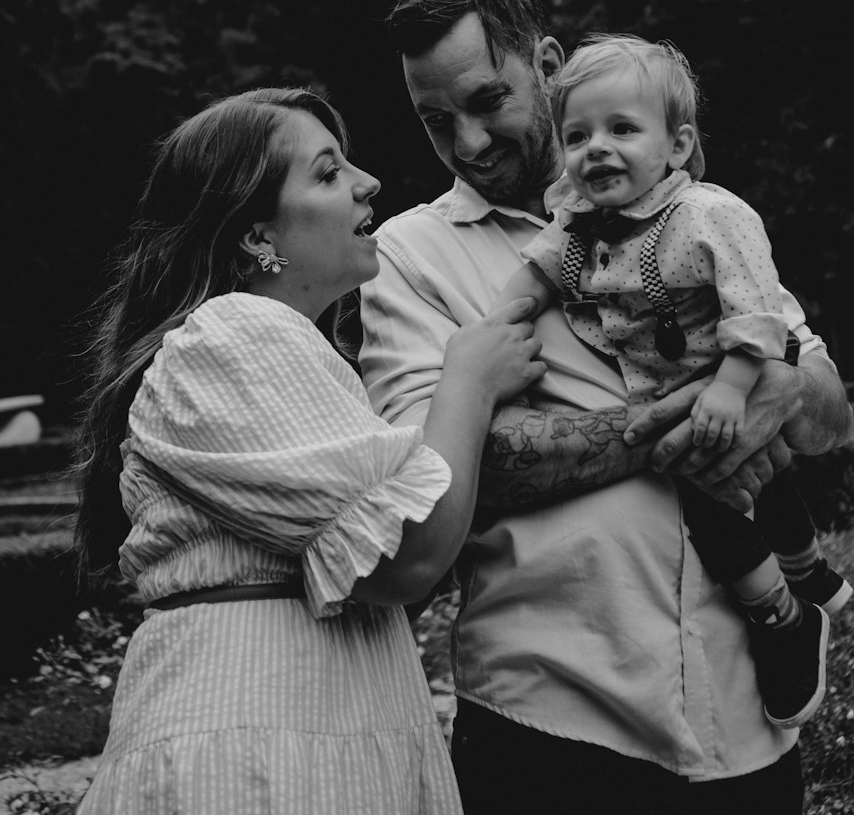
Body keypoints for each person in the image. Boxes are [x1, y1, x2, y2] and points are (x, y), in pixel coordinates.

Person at [359, 0, 854, 815]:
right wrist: (696, 411)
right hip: (551, 724)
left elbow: (827, 415)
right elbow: (440, 478)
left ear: (548, 67)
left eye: (487, 102)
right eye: (436, 122)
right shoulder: (409, 258)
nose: (468, 144)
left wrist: (779, 385)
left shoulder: (686, 210)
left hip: (747, 719)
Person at [73, 86, 543, 815]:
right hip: (257, 755)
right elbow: (406, 558)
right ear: (257, 235)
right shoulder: (235, 333)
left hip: (301, 735)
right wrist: (469, 383)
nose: (368, 182)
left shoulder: (289, 353)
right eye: (327, 173)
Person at [490, 31, 853, 731]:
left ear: (677, 146)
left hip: (733, 375)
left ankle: (787, 608)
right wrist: (494, 325)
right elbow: (534, 275)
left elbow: (755, 310)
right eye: (578, 134)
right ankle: (794, 603)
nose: (597, 147)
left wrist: (733, 386)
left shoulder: (709, 215)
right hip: (667, 393)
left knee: (753, 483)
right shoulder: (582, 227)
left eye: (622, 129)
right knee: (722, 498)